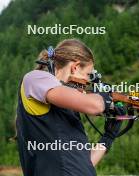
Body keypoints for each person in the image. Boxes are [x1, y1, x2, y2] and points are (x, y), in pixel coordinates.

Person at [16, 39, 124, 176]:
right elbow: (95, 105)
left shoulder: (67, 109)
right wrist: (105, 97)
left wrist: (107, 138)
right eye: (87, 75)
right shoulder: (36, 78)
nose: (86, 83)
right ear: (75, 67)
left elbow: (82, 166)